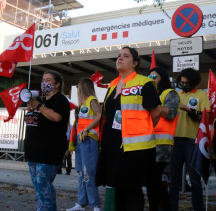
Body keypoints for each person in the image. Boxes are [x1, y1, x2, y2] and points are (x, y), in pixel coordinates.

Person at [96, 46, 162, 211]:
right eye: (119, 56)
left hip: (135, 146)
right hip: (113, 144)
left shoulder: (144, 82)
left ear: (135, 63)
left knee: (132, 189)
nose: (120, 58)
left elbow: (156, 111)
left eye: (125, 56)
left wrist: (142, 128)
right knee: (118, 186)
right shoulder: (112, 85)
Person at [24, 70, 70, 211]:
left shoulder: (60, 100)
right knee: (38, 186)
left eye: (48, 80)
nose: (44, 83)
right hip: (33, 150)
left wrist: (38, 106)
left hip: (49, 150)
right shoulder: (43, 102)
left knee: (43, 183)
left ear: (57, 84)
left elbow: (56, 117)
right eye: (43, 80)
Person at [169, 68, 210, 211]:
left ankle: (197, 208)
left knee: (194, 179)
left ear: (193, 82)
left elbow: (205, 118)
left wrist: (187, 109)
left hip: (193, 141)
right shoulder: (175, 95)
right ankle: (172, 207)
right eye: (181, 81)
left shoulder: (201, 95)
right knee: (173, 179)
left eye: (186, 82)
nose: (183, 84)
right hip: (175, 140)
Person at [146, 67, 180, 211]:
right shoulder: (153, 94)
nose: (151, 79)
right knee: (150, 182)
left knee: (154, 181)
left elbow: (171, 113)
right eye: (150, 76)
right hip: (148, 142)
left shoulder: (170, 93)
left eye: (155, 76)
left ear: (163, 78)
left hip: (162, 144)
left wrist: (156, 106)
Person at [67, 78, 102, 211]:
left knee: (89, 173)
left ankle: (95, 204)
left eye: (79, 87)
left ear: (83, 87)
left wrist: (87, 129)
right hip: (81, 140)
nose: (77, 90)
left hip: (89, 139)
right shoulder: (82, 103)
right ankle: (82, 202)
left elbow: (99, 116)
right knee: (82, 173)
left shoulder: (92, 100)